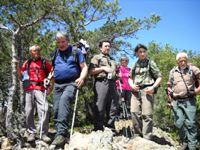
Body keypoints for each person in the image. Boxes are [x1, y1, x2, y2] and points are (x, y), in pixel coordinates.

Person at [49, 31, 88, 146]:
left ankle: (61, 134)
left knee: (64, 101)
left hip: (72, 82)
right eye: (59, 42)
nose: (61, 44)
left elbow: (84, 67)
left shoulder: (76, 51)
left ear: (67, 41)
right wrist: (49, 79)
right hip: (58, 84)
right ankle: (60, 134)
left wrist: (81, 78)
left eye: (63, 41)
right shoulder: (55, 53)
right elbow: (53, 69)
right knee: (56, 108)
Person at [20, 45, 53, 142]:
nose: (37, 52)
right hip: (29, 89)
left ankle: (43, 133)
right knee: (28, 111)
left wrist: (50, 82)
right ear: (31, 52)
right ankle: (31, 133)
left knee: (45, 109)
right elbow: (21, 75)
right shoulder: (27, 63)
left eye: (38, 50)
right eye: (34, 51)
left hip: (41, 89)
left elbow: (52, 71)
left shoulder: (44, 63)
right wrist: (16, 66)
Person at [128, 44, 162, 140]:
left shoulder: (151, 63)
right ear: (137, 53)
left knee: (147, 114)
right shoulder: (134, 64)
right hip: (135, 90)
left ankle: (147, 137)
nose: (142, 53)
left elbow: (159, 76)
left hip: (147, 90)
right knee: (134, 112)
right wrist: (132, 85)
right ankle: (138, 136)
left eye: (144, 51)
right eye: (140, 52)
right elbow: (130, 78)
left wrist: (153, 87)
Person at [167, 52, 199, 150]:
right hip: (176, 101)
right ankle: (184, 142)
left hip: (189, 100)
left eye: (185, 60)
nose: (183, 62)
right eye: (181, 60)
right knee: (178, 123)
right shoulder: (173, 71)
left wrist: (196, 92)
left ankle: (192, 146)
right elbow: (169, 86)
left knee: (191, 124)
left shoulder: (193, 69)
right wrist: (169, 100)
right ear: (177, 61)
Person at [89, 39, 118, 131]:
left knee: (113, 106)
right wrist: (103, 68)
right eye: (105, 46)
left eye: (109, 46)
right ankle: (98, 128)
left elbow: (114, 71)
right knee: (100, 105)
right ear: (101, 48)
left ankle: (110, 127)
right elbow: (91, 71)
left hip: (113, 83)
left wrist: (117, 76)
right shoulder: (96, 57)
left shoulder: (112, 59)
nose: (108, 48)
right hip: (101, 82)